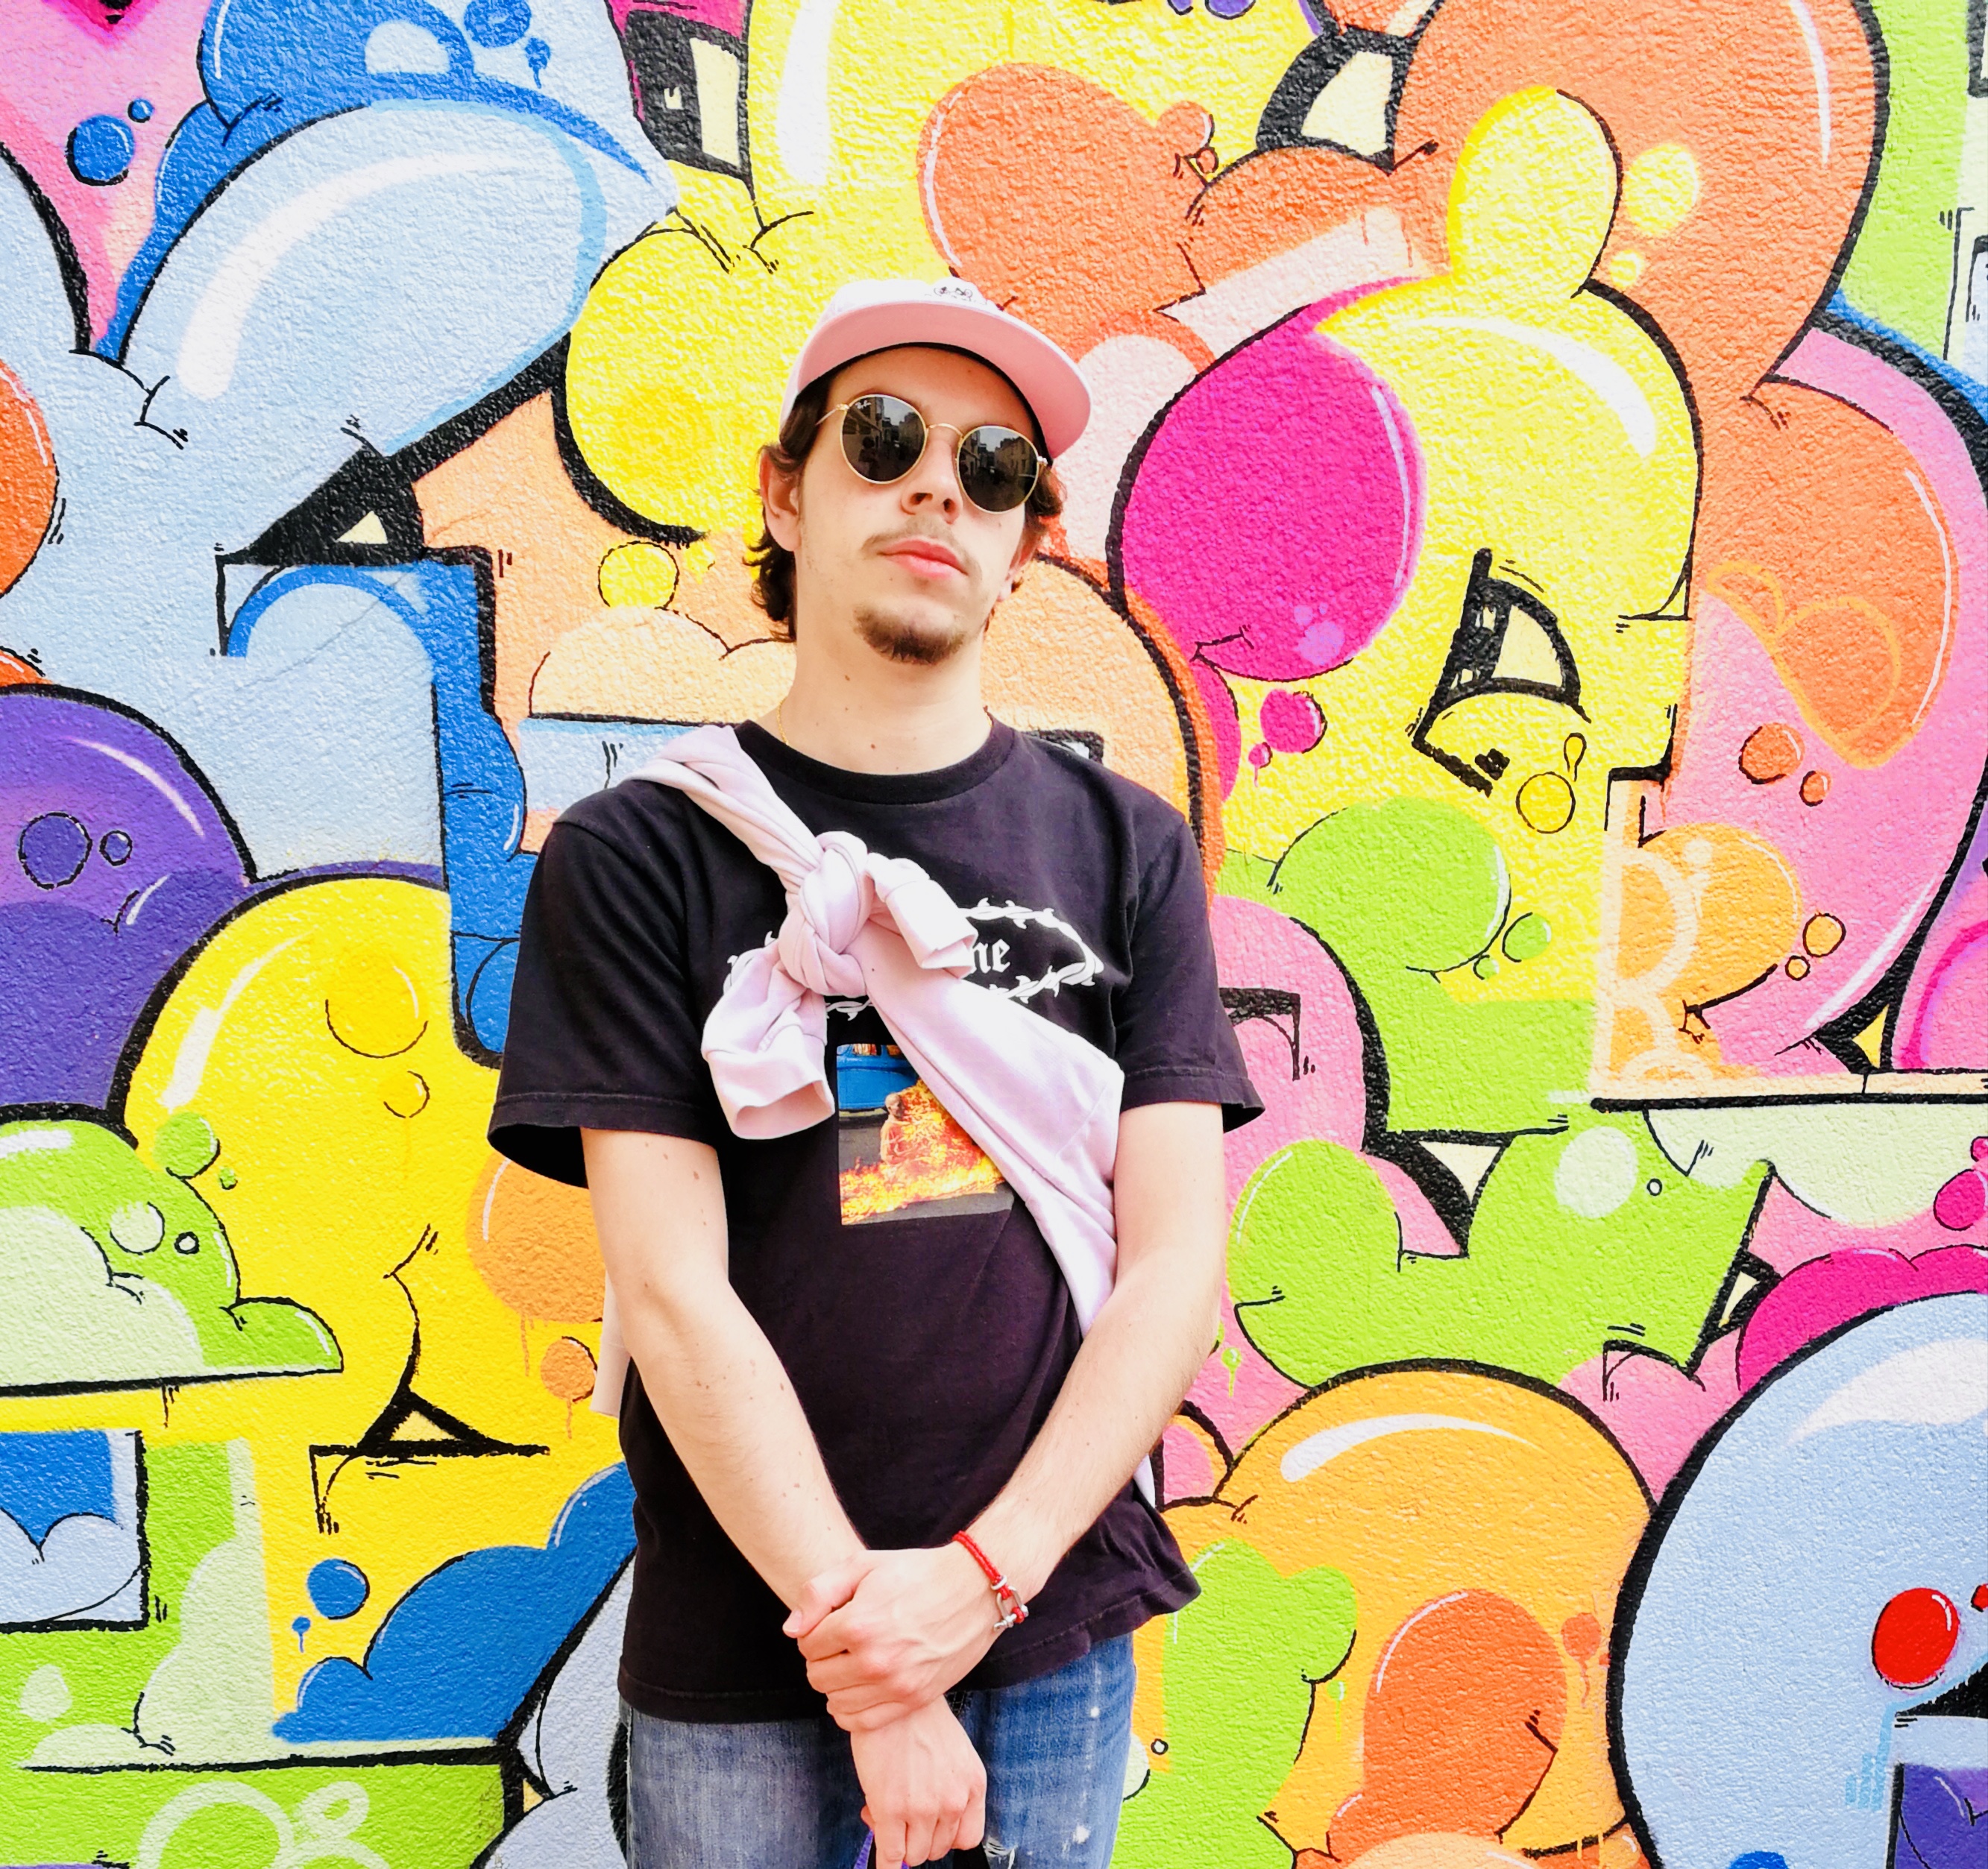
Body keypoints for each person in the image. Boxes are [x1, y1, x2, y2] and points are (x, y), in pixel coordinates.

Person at [489, 277, 1259, 1869]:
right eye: (887, 436)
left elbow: (1176, 1263)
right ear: (786, 492)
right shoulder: (638, 856)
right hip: (746, 1639)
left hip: (1044, 1620)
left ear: (1025, 540)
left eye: (993, 467)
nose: (938, 491)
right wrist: (880, 1664)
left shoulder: (1128, 848)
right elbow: (672, 1294)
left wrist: (980, 1584)